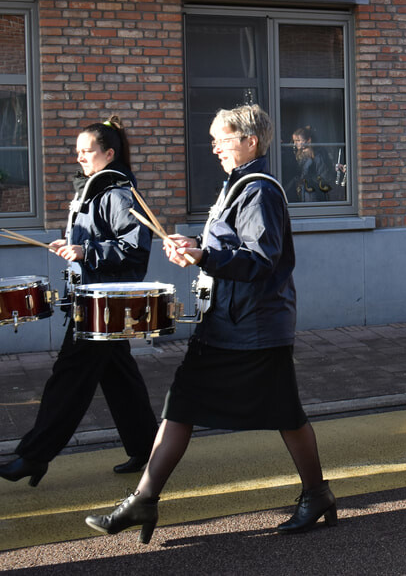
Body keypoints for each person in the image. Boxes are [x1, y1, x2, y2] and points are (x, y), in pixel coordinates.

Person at [84, 105, 334, 543]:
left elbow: (260, 260)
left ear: (250, 142)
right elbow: (229, 244)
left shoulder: (260, 191)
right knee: (181, 403)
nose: (214, 146)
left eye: (223, 138)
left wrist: (204, 256)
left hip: (253, 327)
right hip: (229, 322)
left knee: (286, 414)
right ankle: (144, 499)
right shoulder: (237, 186)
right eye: (215, 138)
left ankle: (317, 494)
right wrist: (194, 244)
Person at [0, 118, 158, 487]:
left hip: (103, 306)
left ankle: (33, 456)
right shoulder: (94, 190)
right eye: (78, 151)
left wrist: (84, 249)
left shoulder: (117, 193)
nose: (80, 157)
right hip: (95, 302)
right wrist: (71, 246)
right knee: (120, 378)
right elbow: (94, 244)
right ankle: (148, 448)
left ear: (108, 153)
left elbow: (137, 248)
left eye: (87, 151)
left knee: (68, 379)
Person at [291, 126, 337, 202]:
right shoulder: (296, 154)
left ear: (308, 140)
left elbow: (324, 175)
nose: (295, 143)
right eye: (294, 141)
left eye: (298, 140)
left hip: (314, 192)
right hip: (302, 191)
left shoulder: (317, 156)